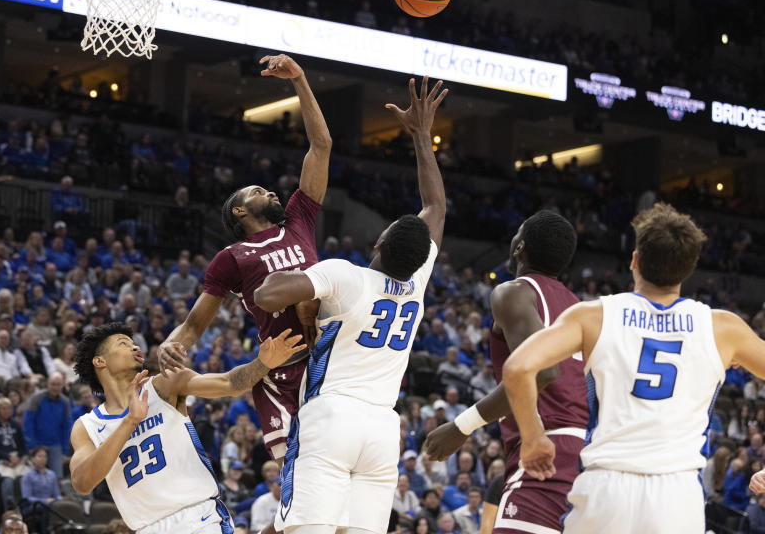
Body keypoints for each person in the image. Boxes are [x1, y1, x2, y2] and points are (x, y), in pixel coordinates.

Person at [251, 75, 447, 534]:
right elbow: (436, 207)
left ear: (380, 240)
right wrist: (422, 136)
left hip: (331, 415)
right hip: (383, 427)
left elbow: (266, 295)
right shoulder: (416, 283)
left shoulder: (345, 275)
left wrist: (296, 272)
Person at [503, 203, 765, 534]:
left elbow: (517, 369)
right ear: (689, 268)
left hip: (605, 488)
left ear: (635, 261)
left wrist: (533, 439)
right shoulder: (724, 328)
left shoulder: (594, 315)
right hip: (677, 496)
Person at [160, 53, 332, 462]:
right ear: (239, 211)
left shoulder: (299, 221)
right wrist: (169, 346)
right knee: (296, 472)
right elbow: (195, 323)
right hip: (281, 367)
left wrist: (300, 80)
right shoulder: (231, 258)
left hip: (328, 354)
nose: (270, 191)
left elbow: (321, 146)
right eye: (257, 191)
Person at [424, 210, 584, 534]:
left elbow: (540, 371)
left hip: (546, 452)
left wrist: (461, 426)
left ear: (519, 246)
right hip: (586, 454)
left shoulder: (514, 292)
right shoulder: (580, 308)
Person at [68, 322, 304, 533]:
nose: (134, 347)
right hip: (146, 528)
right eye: (123, 343)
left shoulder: (164, 386)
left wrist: (263, 363)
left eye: (134, 343)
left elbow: (229, 383)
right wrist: (130, 421)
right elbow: (82, 483)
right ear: (100, 361)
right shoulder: (87, 426)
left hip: (198, 518)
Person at [22, 374, 71, 479]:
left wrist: (64, 450)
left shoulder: (65, 402)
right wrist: (31, 445)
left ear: (62, 386)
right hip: (38, 444)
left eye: (58, 385)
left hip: (56, 445)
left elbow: (66, 427)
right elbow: (28, 422)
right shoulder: (36, 398)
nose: (55, 387)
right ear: (47, 384)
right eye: (53, 384)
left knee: (57, 478)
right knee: (36, 477)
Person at [19, 448, 60, 534]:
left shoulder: (52, 474)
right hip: (32, 506)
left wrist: (59, 500)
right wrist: (44, 501)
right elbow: (27, 497)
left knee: (63, 506)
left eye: (45, 456)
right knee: (44, 508)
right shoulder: (27, 476)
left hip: (51, 504)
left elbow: (57, 494)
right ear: (33, 459)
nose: (43, 459)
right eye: (39, 456)